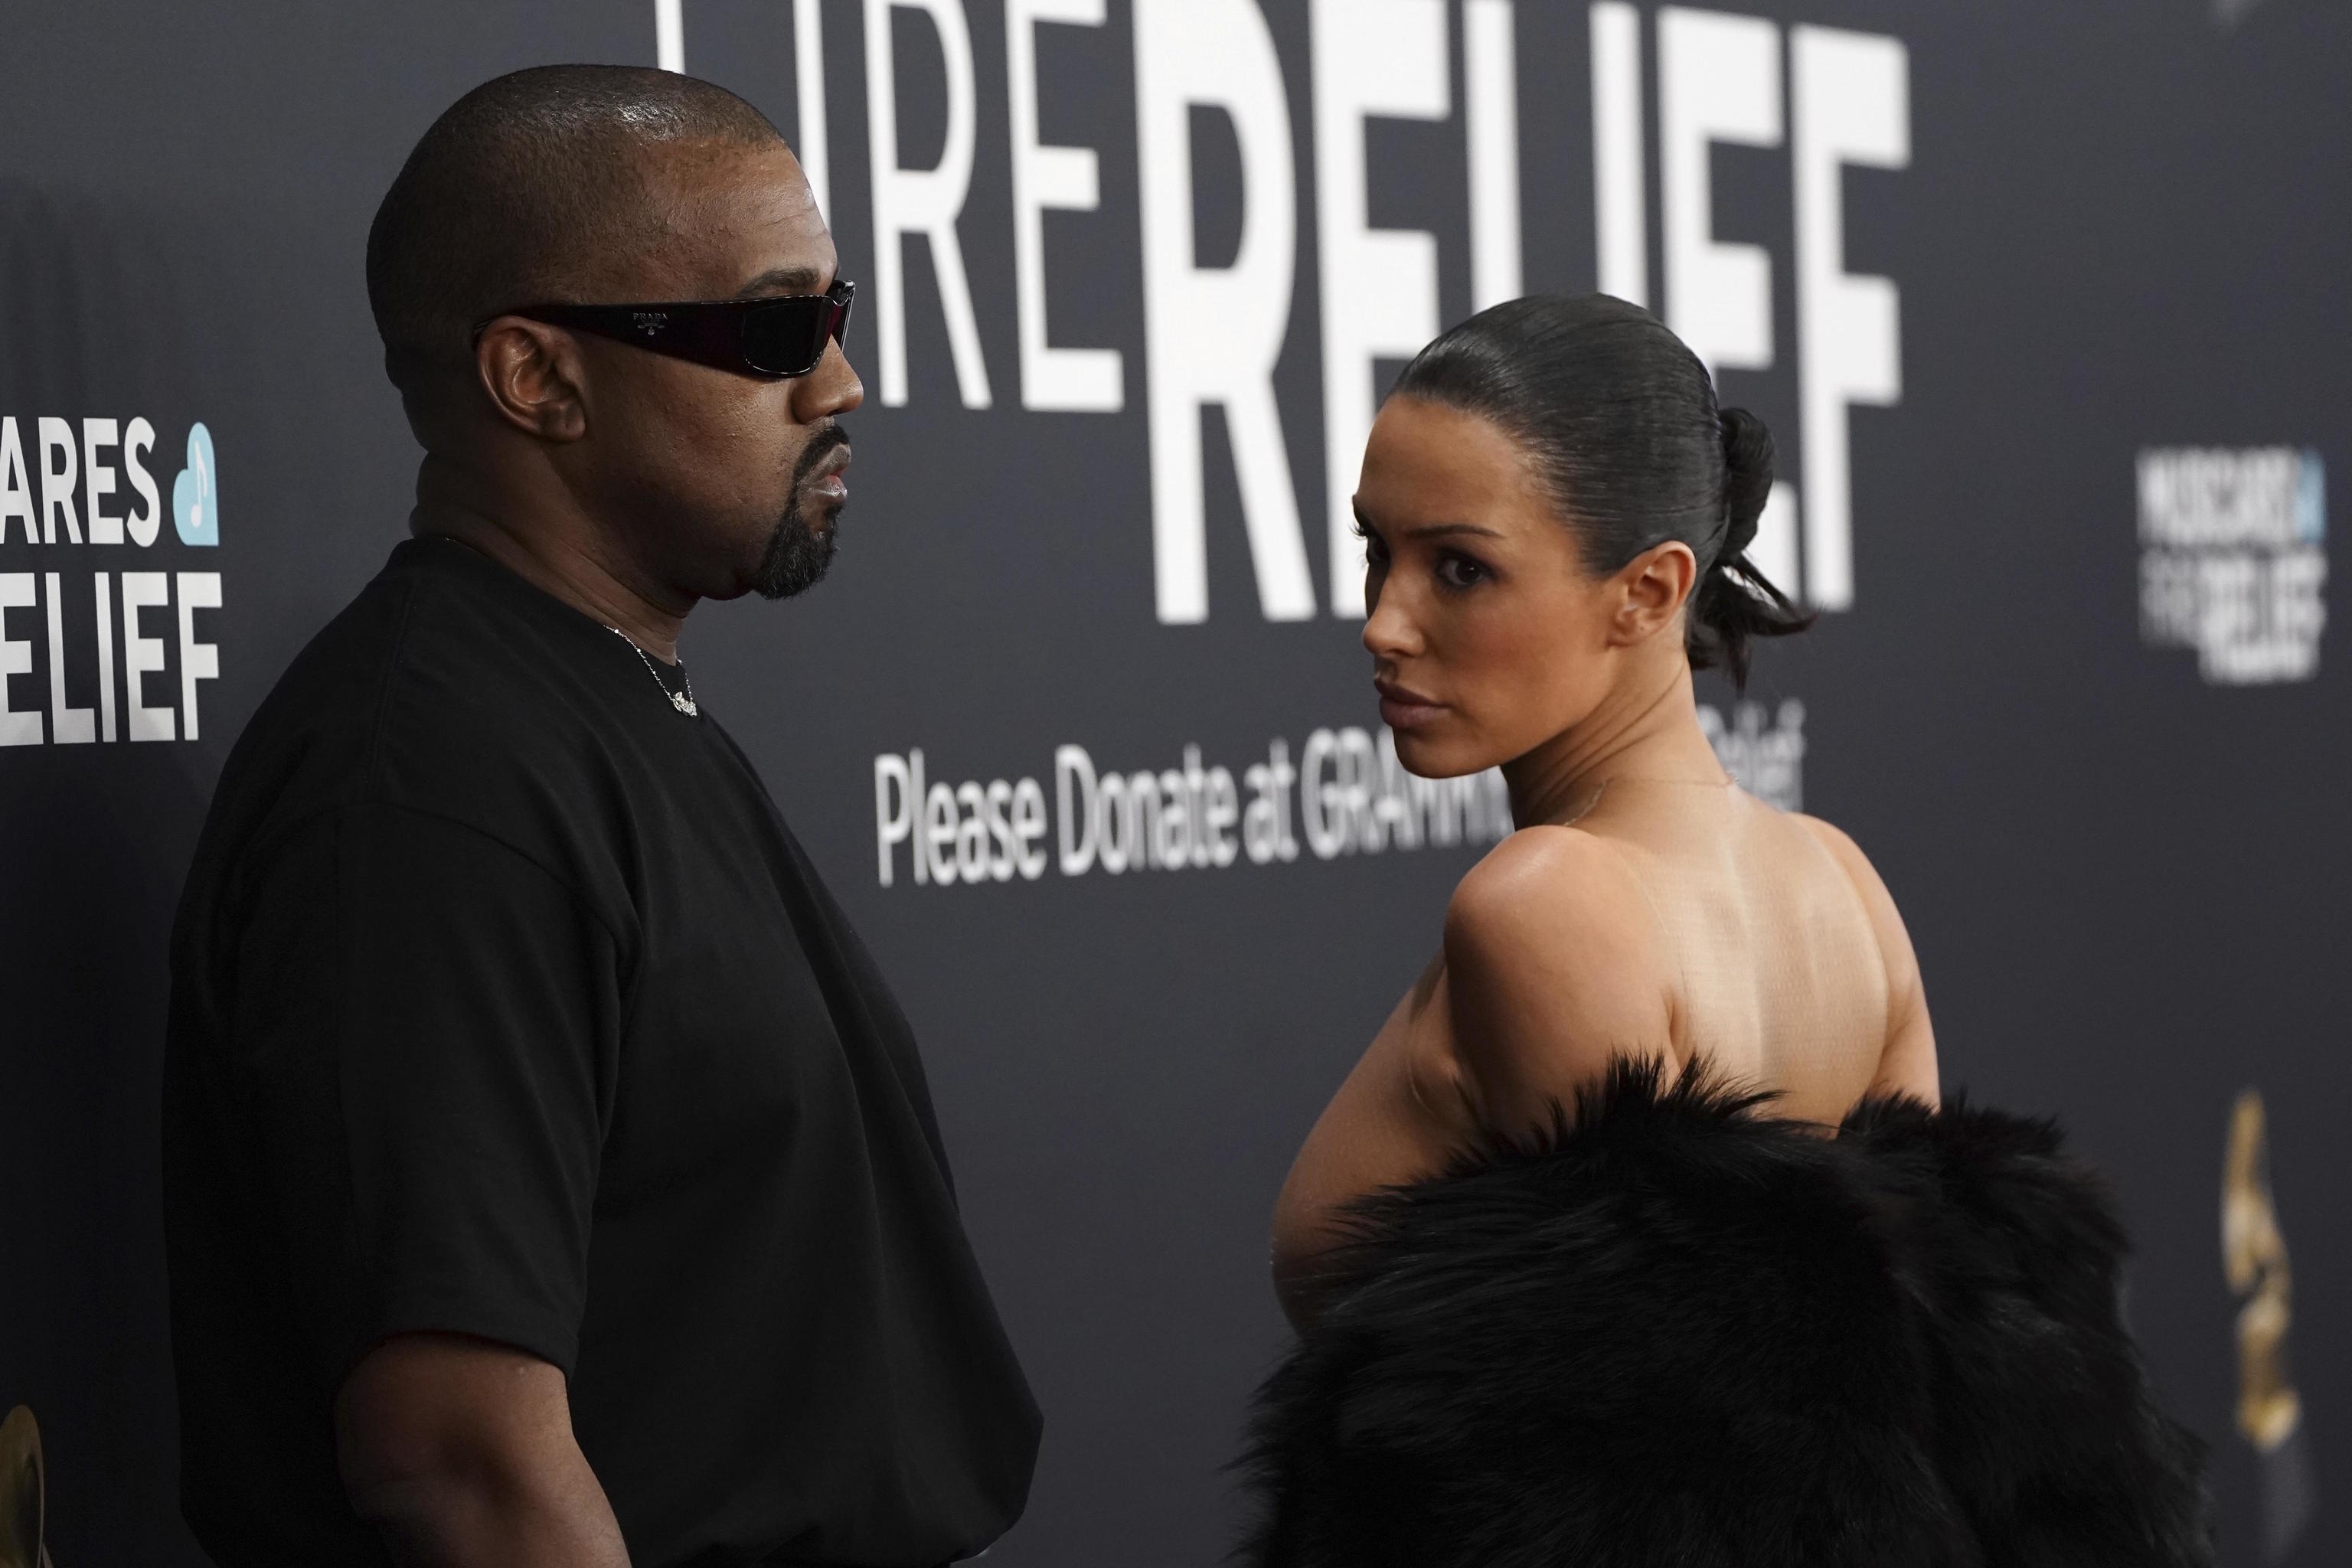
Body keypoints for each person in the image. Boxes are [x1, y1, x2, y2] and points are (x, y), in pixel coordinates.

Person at [161, 66, 1037, 1568]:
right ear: (536, 378)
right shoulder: (430, 784)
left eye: (834, 320)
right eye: (770, 332)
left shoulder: (597, 703)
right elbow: (462, 1463)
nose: (838, 386)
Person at [1246, 295, 2209, 1566]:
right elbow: (1942, 1408)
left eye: (1460, 568)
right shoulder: (1843, 887)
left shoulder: (1542, 907)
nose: (1384, 619)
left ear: (1649, 591)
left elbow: (1667, 1497)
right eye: (1378, 551)